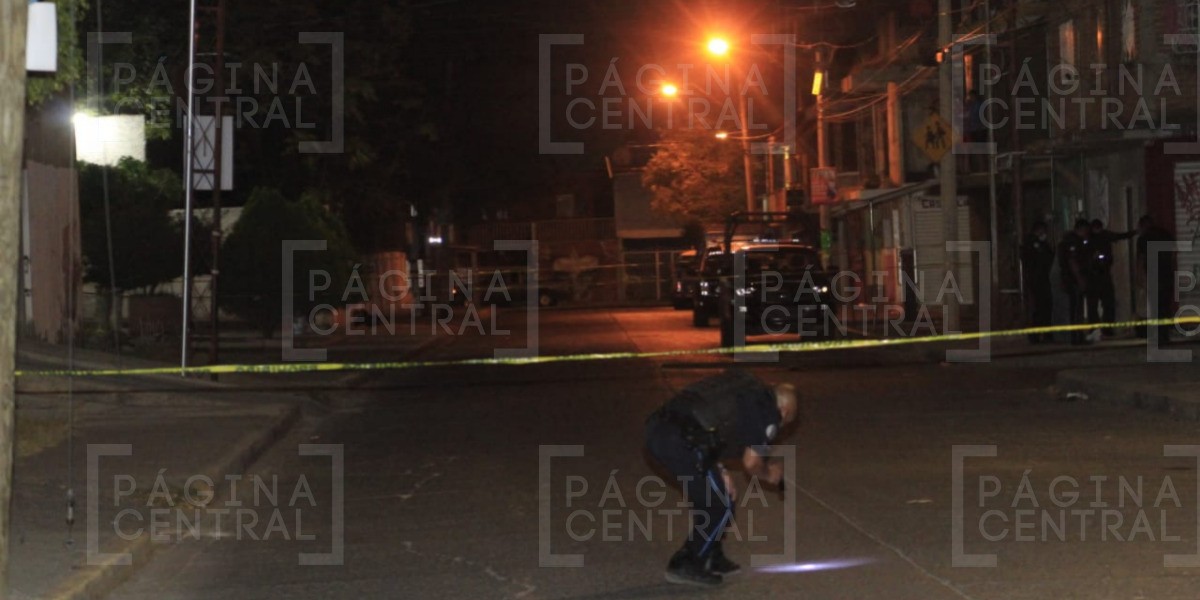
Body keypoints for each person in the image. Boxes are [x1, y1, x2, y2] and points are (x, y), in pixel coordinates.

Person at [643, 369, 798, 587]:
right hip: (680, 442)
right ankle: (688, 563)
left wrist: (721, 471)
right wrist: (770, 474)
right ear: (783, 410)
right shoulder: (768, 411)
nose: (779, 429)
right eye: (784, 423)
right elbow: (751, 463)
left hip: (665, 429)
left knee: (723, 496)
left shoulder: (747, 390)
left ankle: (710, 554)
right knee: (719, 506)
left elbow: (713, 426)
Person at [1086, 219, 1137, 338]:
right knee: (1094, 304)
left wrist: (1134, 232)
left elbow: (1120, 236)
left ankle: (1106, 329)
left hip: (1104, 274)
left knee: (1108, 303)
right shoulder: (1089, 239)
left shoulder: (1105, 235)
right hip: (1093, 275)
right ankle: (1095, 328)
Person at [1136, 214, 1176, 341]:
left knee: (1155, 307)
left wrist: (1140, 277)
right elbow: (1173, 254)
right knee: (1165, 306)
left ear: (1143, 225)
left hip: (1153, 275)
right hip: (1167, 275)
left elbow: (1140, 259)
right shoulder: (1166, 234)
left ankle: (1156, 335)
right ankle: (1164, 335)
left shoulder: (1143, 238)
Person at [1021, 222, 1055, 343]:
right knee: (1040, 308)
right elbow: (1042, 258)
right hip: (1037, 280)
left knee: (1044, 307)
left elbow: (1050, 256)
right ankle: (1037, 335)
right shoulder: (1032, 243)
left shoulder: (1041, 244)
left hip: (1041, 279)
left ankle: (1045, 334)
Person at [1058, 219, 1091, 345]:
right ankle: (1077, 337)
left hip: (1070, 279)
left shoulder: (1068, 241)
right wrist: (1080, 279)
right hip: (1074, 281)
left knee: (1075, 309)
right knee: (1077, 309)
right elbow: (1073, 262)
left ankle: (1077, 336)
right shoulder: (1073, 242)